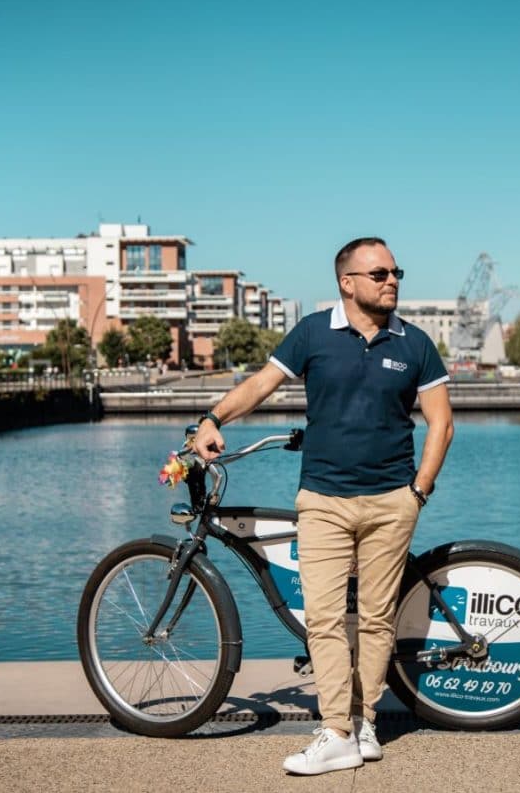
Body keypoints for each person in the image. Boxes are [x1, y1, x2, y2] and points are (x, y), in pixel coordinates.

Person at [193, 237, 453, 776]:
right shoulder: (313, 332)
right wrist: (212, 418)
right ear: (347, 282)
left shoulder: (416, 343)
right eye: (378, 273)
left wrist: (418, 493)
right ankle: (337, 731)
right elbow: (263, 384)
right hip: (323, 501)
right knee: (326, 619)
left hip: (391, 502)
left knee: (378, 619)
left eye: (395, 271)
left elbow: (441, 423)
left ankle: (364, 725)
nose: (392, 280)